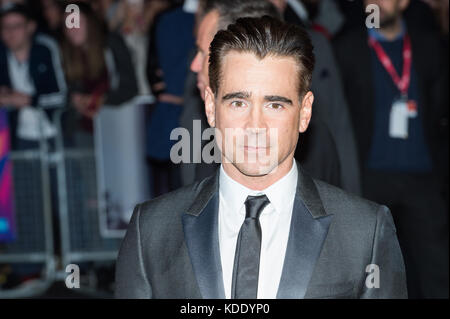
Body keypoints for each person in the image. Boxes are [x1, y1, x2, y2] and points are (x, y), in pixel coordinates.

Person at [115, 16, 407, 299]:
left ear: (304, 113)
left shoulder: (364, 232)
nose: (255, 126)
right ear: (210, 107)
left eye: (275, 105)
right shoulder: (151, 230)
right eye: (238, 102)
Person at [333, 0, 448, 298]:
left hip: (423, 178)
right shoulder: (347, 48)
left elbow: (439, 110)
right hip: (368, 178)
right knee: (363, 269)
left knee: (436, 269)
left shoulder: (429, 47)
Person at [180, 0, 341, 189]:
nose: (194, 65)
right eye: (238, 104)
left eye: (203, 52)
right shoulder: (195, 114)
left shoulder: (309, 142)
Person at [0, 3, 67, 150]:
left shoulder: (45, 49)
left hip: (52, 133)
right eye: (5, 27)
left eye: (16, 26)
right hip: (16, 138)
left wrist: (28, 100)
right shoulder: (2, 54)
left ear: (30, 27)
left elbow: (61, 96)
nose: (10, 32)